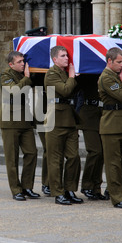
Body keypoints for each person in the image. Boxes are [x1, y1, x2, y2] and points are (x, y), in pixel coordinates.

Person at [44, 45, 83, 205]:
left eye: (67, 55)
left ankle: (69, 189)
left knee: (73, 156)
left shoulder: (66, 74)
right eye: (63, 56)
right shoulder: (51, 74)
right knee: (55, 158)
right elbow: (66, 90)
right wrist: (73, 77)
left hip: (69, 119)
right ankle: (58, 192)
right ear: (55, 59)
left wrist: (73, 77)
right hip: (55, 120)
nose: (67, 58)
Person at [0, 51, 39, 201]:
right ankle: (16, 189)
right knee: (12, 157)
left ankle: (27, 186)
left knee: (31, 153)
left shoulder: (24, 74)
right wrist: (27, 77)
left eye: (23, 61)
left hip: (25, 120)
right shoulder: (6, 75)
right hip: (10, 121)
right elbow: (14, 91)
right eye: (20, 62)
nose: (23, 63)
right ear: (11, 64)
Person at [98, 47, 122, 209]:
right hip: (111, 125)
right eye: (119, 62)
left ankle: (113, 188)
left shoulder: (117, 75)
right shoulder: (106, 77)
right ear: (109, 61)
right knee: (113, 163)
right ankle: (117, 197)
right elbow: (121, 96)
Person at [76, 74, 109, 200]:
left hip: (102, 113)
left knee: (101, 153)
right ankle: (87, 185)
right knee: (95, 151)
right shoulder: (87, 72)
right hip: (88, 113)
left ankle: (96, 187)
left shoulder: (106, 73)